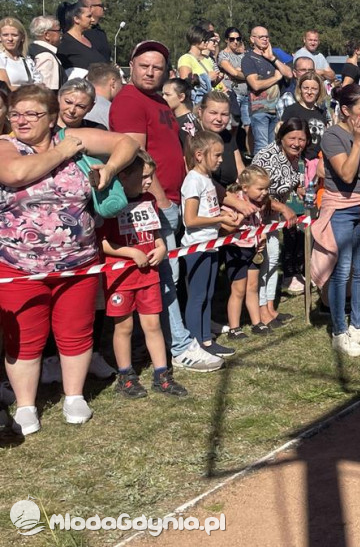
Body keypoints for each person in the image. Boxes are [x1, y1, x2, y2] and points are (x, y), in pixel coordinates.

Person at [0, 84, 139, 434]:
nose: (21, 120)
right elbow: (16, 175)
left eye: (32, 114)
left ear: (51, 118)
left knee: (76, 331)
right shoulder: (5, 145)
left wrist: (109, 171)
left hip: (78, 262)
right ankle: (27, 405)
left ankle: (74, 396)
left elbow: (128, 143)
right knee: (25, 338)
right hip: (19, 266)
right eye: (16, 113)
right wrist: (63, 151)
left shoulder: (73, 136)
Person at [110, 40, 223, 373]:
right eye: (144, 65)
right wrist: (159, 199)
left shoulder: (158, 100)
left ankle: (170, 340)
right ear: (131, 65)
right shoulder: (130, 101)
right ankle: (179, 345)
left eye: (157, 67)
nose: (150, 71)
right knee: (163, 277)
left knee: (167, 276)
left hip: (171, 197)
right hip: (154, 203)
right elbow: (137, 158)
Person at [311, 84, 360, 357]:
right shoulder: (332, 136)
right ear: (345, 110)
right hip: (342, 209)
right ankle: (338, 331)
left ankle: (358, 324)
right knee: (341, 271)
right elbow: (346, 175)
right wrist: (357, 141)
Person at [100, 151, 188, 399]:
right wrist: (130, 253)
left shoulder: (149, 199)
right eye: (145, 176)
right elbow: (102, 243)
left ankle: (162, 374)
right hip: (120, 278)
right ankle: (125, 375)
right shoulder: (110, 203)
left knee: (153, 325)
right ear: (124, 176)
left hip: (149, 275)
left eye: (152, 176)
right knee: (124, 326)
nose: (150, 182)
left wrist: (160, 247)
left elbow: (155, 231)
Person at [181, 131, 242, 360]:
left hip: (210, 244)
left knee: (207, 294)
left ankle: (206, 338)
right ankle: (196, 343)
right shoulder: (193, 181)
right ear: (199, 155)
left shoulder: (206, 180)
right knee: (197, 296)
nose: (220, 160)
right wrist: (220, 219)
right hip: (196, 247)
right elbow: (191, 219)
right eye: (216, 155)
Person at [251, 119, 305, 326]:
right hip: (257, 216)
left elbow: (287, 181)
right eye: (292, 138)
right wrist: (283, 207)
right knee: (266, 261)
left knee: (273, 260)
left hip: (272, 218)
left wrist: (297, 188)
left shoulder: (294, 156)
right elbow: (255, 192)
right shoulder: (267, 156)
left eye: (301, 139)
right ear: (281, 137)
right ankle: (261, 309)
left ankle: (270, 308)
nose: (297, 143)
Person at [222, 166, 274, 338]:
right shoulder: (234, 201)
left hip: (254, 248)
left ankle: (256, 322)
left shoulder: (260, 203)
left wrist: (263, 237)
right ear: (245, 187)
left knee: (253, 287)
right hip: (236, 249)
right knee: (238, 290)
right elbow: (226, 226)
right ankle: (234, 328)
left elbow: (259, 224)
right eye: (260, 189)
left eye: (266, 189)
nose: (264, 192)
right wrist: (242, 215)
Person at [243, 26, 293, 155]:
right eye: (261, 37)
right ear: (252, 39)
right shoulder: (248, 59)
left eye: (267, 36)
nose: (265, 39)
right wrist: (276, 78)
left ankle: (270, 174)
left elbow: (289, 74)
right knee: (261, 145)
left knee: (274, 146)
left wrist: (272, 58)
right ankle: (259, 174)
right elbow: (255, 85)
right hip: (259, 109)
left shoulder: (273, 56)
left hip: (276, 109)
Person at [56, 0, 107, 79]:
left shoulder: (89, 38)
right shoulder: (64, 43)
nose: (92, 20)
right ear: (76, 19)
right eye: (88, 16)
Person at [217, 27, 250, 143]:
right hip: (233, 94)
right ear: (226, 40)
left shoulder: (243, 55)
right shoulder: (223, 55)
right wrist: (247, 76)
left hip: (246, 94)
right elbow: (234, 72)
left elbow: (240, 72)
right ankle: (230, 150)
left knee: (249, 127)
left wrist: (239, 72)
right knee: (232, 126)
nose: (235, 42)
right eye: (232, 39)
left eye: (238, 39)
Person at [177, 24, 222, 106]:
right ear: (196, 39)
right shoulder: (186, 59)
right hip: (196, 104)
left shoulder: (208, 59)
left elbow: (209, 86)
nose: (207, 42)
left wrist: (216, 80)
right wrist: (208, 78)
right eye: (204, 40)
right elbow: (186, 84)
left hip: (209, 102)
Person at [0, 17, 43, 88]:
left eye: (14, 35)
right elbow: (5, 88)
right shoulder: (1, 58)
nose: (10, 39)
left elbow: (39, 85)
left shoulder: (27, 60)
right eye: (5, 35)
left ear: (22, 37)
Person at [28, 15, 65, 90]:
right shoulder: (46, 56)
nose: (61, 34)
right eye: (58, 31)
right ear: (47, 35)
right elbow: (46, 88)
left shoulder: (31, 49)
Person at [83, 62, 123, 128]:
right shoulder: (113, 111)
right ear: (113, 83)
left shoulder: (76, 105)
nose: (121, 87)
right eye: (121, 83)